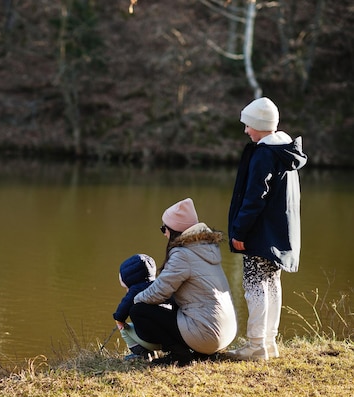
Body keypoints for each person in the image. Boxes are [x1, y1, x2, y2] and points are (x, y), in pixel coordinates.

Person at [227, 97, 307, 361]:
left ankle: (255, 345)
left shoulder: (264, 153)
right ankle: (269, 343)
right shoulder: (284, 151)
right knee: (271, 284)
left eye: (248, 125)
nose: (246, 131)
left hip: (260, 233)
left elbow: (254, 197)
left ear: (260, 125)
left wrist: (239, 231)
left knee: (254, 285)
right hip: (278, 233)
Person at [130, 198, 237, 366]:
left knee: (139, 311)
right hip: (225, 332)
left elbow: (159, 291)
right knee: (169, 303)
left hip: (207, 334)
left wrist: (135, 299)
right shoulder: (205, 248)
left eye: (163, 228)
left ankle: (179, 355)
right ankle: (197, 352)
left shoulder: (183, 254)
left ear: (173, 230)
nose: (164, 233)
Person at [112, 254, 163, 360]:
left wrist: (119, 319)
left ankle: (142, 354)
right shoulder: (160, 286)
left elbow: (123, 309)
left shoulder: (135, 291)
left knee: (124, 329)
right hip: (171, 338)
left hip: (152, 340)